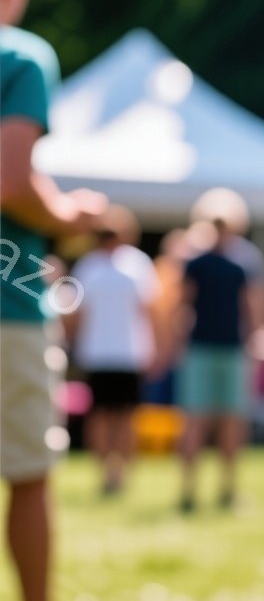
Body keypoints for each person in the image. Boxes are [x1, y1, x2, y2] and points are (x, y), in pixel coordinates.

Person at [0, 0, 110, 601]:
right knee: (27, 473)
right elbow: (11, 181)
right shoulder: (20, 55)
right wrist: (74, 213)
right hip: (5, 303)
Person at [177, 189, 264, 512]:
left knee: (207, 420)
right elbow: (254, 311)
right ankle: (217, 490)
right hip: (219, 349)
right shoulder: (235, 264)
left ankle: (200, 491)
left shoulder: (199, 263)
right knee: (216, 420)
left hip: (211, 349)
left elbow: (181, 307)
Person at [65, 204, 161, 497]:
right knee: (121, 417)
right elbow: (151, 311)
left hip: (101, 354)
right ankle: (117, 476)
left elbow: (75, 314)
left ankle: (109, 476)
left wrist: (72, 344)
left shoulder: (88, 266)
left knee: (104, 417)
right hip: (125, 354)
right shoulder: (137, 264)